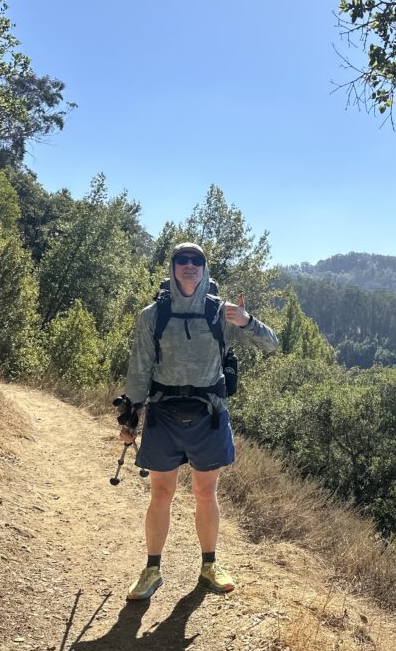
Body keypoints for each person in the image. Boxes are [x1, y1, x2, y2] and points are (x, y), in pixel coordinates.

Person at [119, 242, 278, 601]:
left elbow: (271, 344)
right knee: (161, 493)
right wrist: (131, 415)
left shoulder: (223, 312)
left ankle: (209, 566)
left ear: (205, 268)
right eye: (182, 260)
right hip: (163, 413)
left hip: (208, 414)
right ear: (173, 267)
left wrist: (248, 321)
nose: (189, 266)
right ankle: (152, 570)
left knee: (206, 493)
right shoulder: (152, 316)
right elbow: (140, 368)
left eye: (196, 261)